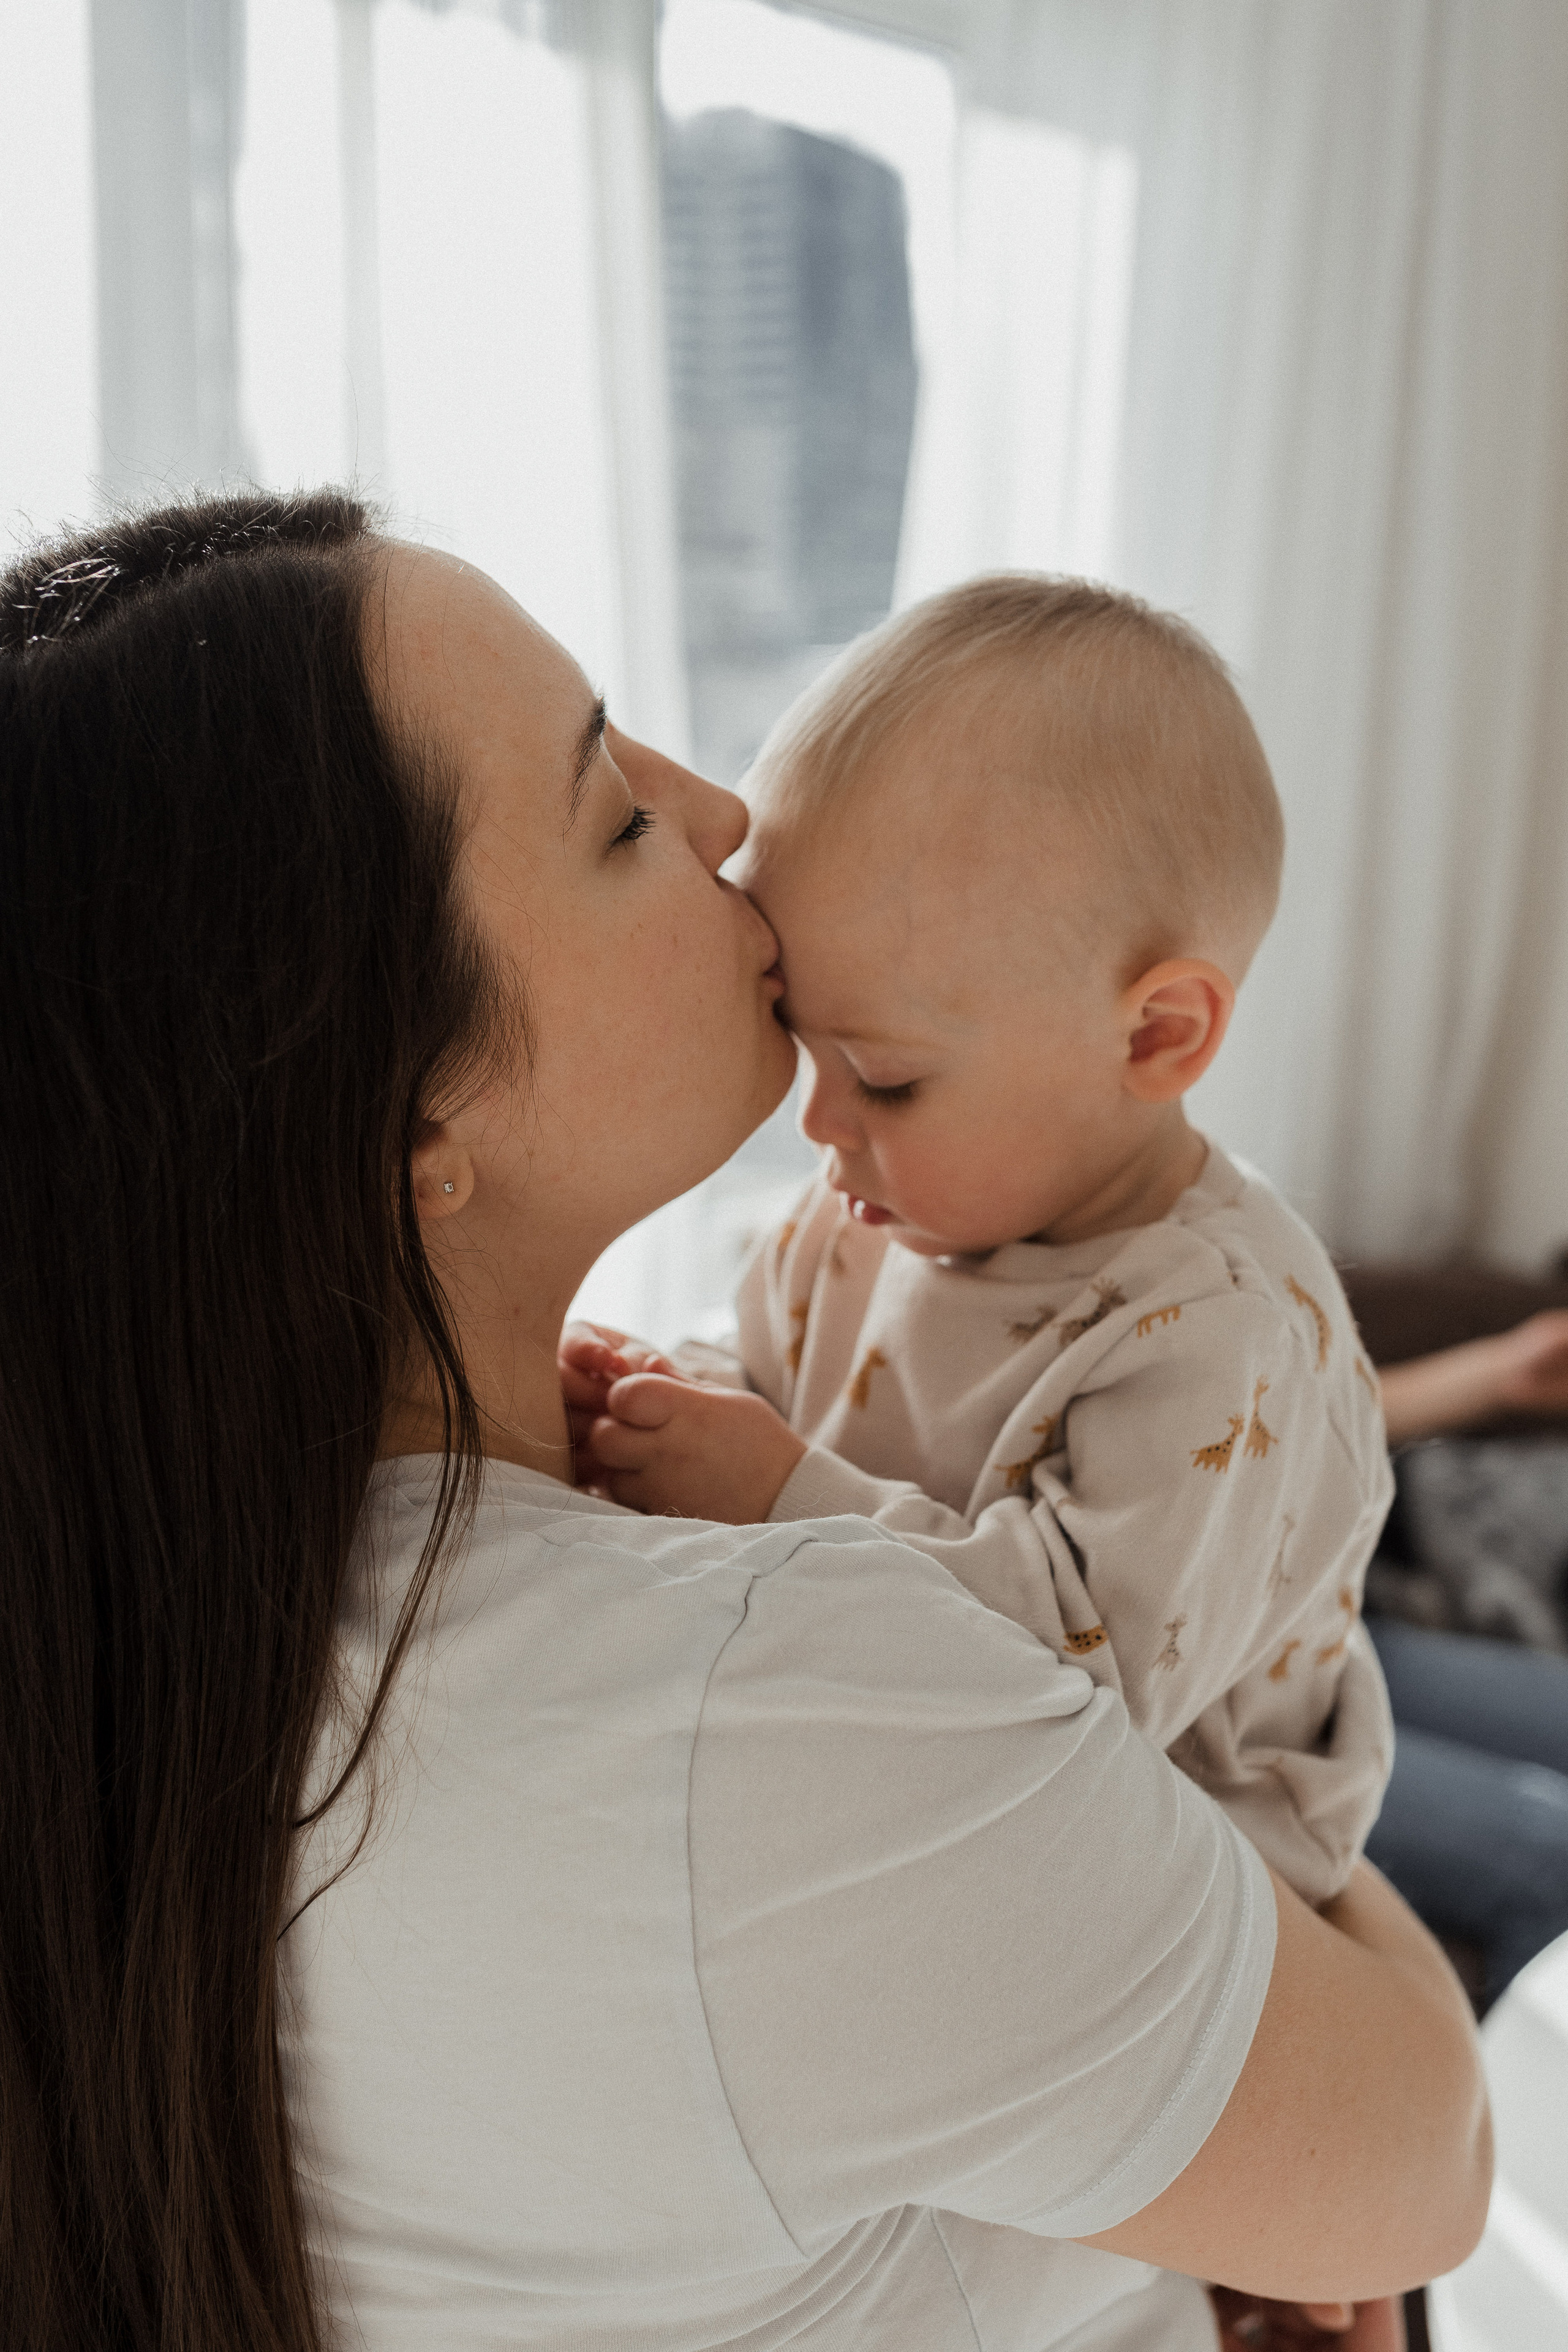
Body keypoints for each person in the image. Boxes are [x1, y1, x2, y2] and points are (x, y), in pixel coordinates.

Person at [0, 498, 1487, 2352]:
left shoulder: (174, 1600)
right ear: (401, 1125)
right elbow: (1423, 2157)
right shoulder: (756, 1699)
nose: (720, 817)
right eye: (613, 810)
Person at [568, 575, 1392, 1912]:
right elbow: (772, 1378)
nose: (819, 1120)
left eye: (884, 1078)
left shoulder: (1216, 1332)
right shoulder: (870, 1207)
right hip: (926, 1778)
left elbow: (1073, 1692)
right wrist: (667, 1401)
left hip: (1184, 1887)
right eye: (804, 1045)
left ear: (1154, 1038)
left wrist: (779, 1492)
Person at [1365, 1312, 1568, 2005]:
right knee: (1553, 1861)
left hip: (1328, 1631)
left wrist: (1500, 1372)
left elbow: (1297, 1418)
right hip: (1199, 1699)